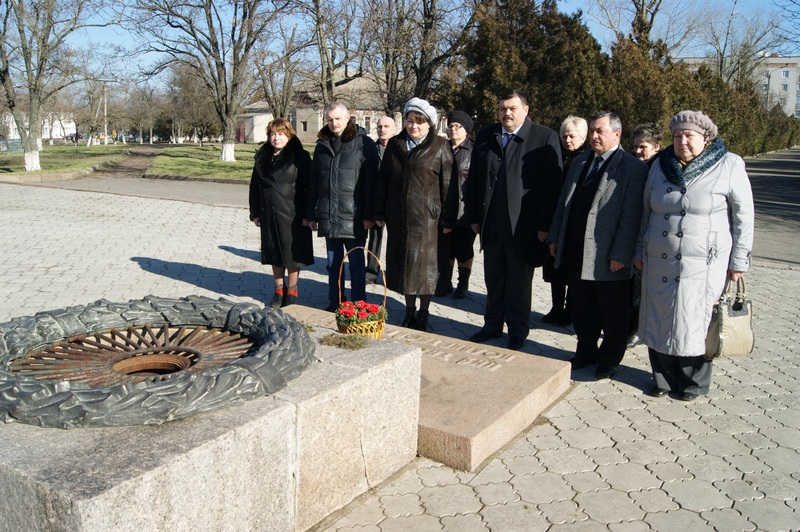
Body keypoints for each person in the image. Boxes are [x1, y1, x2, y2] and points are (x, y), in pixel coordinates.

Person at [633, 110, 754, 401]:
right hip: (659, 257)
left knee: (695, 319)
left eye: (689, 135)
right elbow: (646, 211)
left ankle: (694, 382)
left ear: (706, 138)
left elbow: (744, 216)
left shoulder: (728, 164)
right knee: (659, 316)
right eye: (677, 136)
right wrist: (638, 249)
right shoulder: (659, 164)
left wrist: (739, 261)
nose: (682, 141)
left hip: (704, 263)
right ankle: (662, 378)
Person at [548, 111, 647, 379]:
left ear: (617, 134)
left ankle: (609, 359)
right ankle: (585, 352)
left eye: (599, 131)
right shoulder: (581, 161)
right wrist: (556, 236)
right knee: (583, 309)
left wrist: (621, 254)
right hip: (577, 250)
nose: (593, 136)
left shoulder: (632, 168)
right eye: (591, 130)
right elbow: (564, 203)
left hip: (609, 256)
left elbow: (631, 217)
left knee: (612, 313)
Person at [466, 89, 562, 350]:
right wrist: (474, 216)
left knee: (519, 284)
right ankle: (491, 326)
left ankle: (518, 331)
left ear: (525, 110)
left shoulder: (544, 138)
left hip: (523, 228)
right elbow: (474, 180)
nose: (506, 113)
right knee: (493, 279)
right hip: (491, 224)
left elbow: (551, 187)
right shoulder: (487, 136)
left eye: (512, 108)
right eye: (502, 108)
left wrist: (544, 226)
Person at [372, 97, 457, 331]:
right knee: (404, 266)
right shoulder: (395, 145)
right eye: (410, 121)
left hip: (429, 220)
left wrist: (448, 218)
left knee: (425, 269)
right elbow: (383, 180)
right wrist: (379, 210)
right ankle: (409, 312)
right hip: (399, 217)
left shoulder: (440, 146)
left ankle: (424, 312)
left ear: (429, 123)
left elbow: (449, 186)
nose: (414, 126)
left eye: (419, 121)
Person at [307, 102, 380, 312]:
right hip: (329, 215)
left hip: (354, 217)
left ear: (348, 118)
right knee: (333, 265)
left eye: (338, 118)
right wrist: (311, 214)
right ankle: (336, 302)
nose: (334, 123)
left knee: (356, 265)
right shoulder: (322, 146)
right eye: (330, 119)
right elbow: (314, 182)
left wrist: (369, 214)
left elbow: (371, 182)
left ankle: (358, 305)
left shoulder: (364, 144)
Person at [249, 118, 314, 308]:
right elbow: (254, 186)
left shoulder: (300, 156)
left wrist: (309, 215)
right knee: (274, 252)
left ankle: (292, 289)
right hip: (268, 213)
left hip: (293, 214)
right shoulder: (263, 157)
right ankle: (279, 289)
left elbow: (309, 187)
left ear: (289, 136)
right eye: (273, 134)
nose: (276, 138)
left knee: (292, 253)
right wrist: (255, 212)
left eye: (281, 134)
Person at [542, 115, 588, 326]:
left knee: (571, 269)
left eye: (572, 136)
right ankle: (556, 307)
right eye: (564, 136)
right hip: (555, 219)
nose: (567, 140)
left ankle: (570, 310)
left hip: (574, 222)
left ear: (583, 137)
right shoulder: (557, 156)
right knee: (555, 267)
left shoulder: (587, 159)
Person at [627, 122, 664, 347]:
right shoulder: (634, 166)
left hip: (651, 236)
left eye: (643, 147)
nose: (638, 151)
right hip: (632, 232)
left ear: (657, 146)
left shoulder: (660, 169)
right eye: (636, 147)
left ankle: (637, 330)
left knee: (640, 288)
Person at [434, 110, 476, 300]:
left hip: (464, 210)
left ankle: (463, 283)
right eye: (451, 126)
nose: (453, 129)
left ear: (466, 129)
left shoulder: (473, 151)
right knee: (446, 248)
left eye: (458, 126)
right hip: (443, 209)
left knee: (463, 249)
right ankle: (446, 281)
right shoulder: (442, 148)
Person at [366, 115, 396, 283]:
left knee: (395, 240)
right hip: (376, 200)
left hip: (394, 201)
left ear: (394, 129)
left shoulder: (399, 149)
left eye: (386, 126)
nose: (382, 129)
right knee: (375, 238)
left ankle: (393, 273)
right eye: (379, 127)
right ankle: (371, 272)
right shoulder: (371, 149)